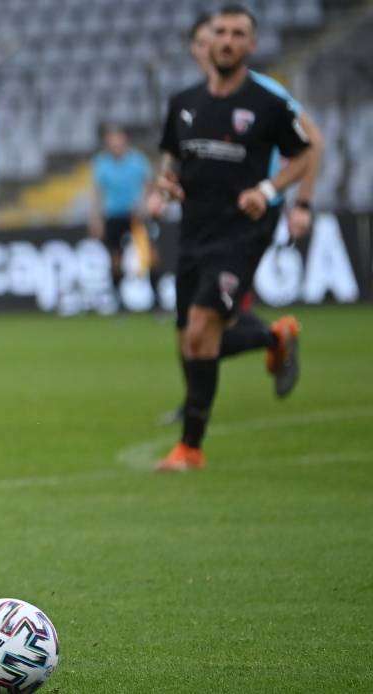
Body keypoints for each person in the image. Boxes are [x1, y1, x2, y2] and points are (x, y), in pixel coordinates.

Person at [149, 4, 315, 472]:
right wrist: (167, 183)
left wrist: (270, 191)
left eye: (237, 33)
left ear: (251, 44)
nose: (226, 40)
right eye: (219, 32)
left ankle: (190, 448)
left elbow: (304, 154)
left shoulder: (269, 103)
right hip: (195, 231)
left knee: (202, 330)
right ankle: (272, 336)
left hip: (241, 233)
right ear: (207, 42)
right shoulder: (184, 102)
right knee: (191, 341)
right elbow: (170, 158)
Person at [89, 124, 152, 304]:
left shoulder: (138, 160)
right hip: (113, 216)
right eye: (112, 142)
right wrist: (95, 219)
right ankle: (117, 299)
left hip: (136, 216)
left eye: (118, 141)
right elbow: (97, 193)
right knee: (115, 259)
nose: (115, 145)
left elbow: (148, 186)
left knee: (149, 255)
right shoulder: (102, 163)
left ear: (125, 140)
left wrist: (144, 205)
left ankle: (156, 299)